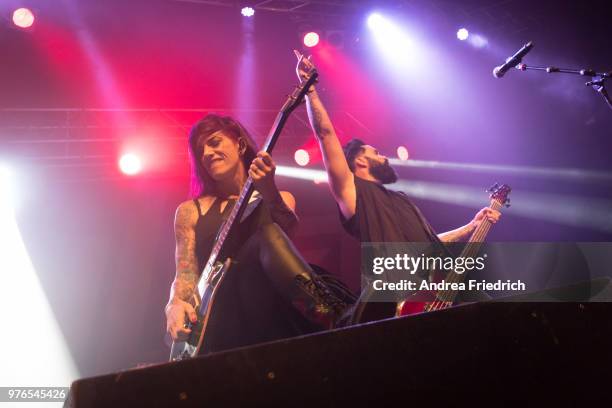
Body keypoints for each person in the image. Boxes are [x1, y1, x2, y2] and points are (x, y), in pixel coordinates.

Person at [293, 50, 501, 322]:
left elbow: (430, 244)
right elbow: (325, 134)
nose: (384, 156)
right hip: (395, 305)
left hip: (433, 297)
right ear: (359, 161)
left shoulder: (401, 199)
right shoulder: (353, 193)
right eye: (376, 152)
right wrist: (309, 89)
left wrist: (471, 227)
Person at [164, 114, 349, 354]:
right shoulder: (190, 211)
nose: (207, 153)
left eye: (215, 142)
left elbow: (287, 232)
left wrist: (270, 191)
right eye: (200, 150)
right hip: (218, 320)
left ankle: (332, 314)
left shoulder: (278, 198)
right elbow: (186, 271)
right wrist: (174, 304)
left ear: (240, 145)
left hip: (266, 310)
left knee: (267, 234)